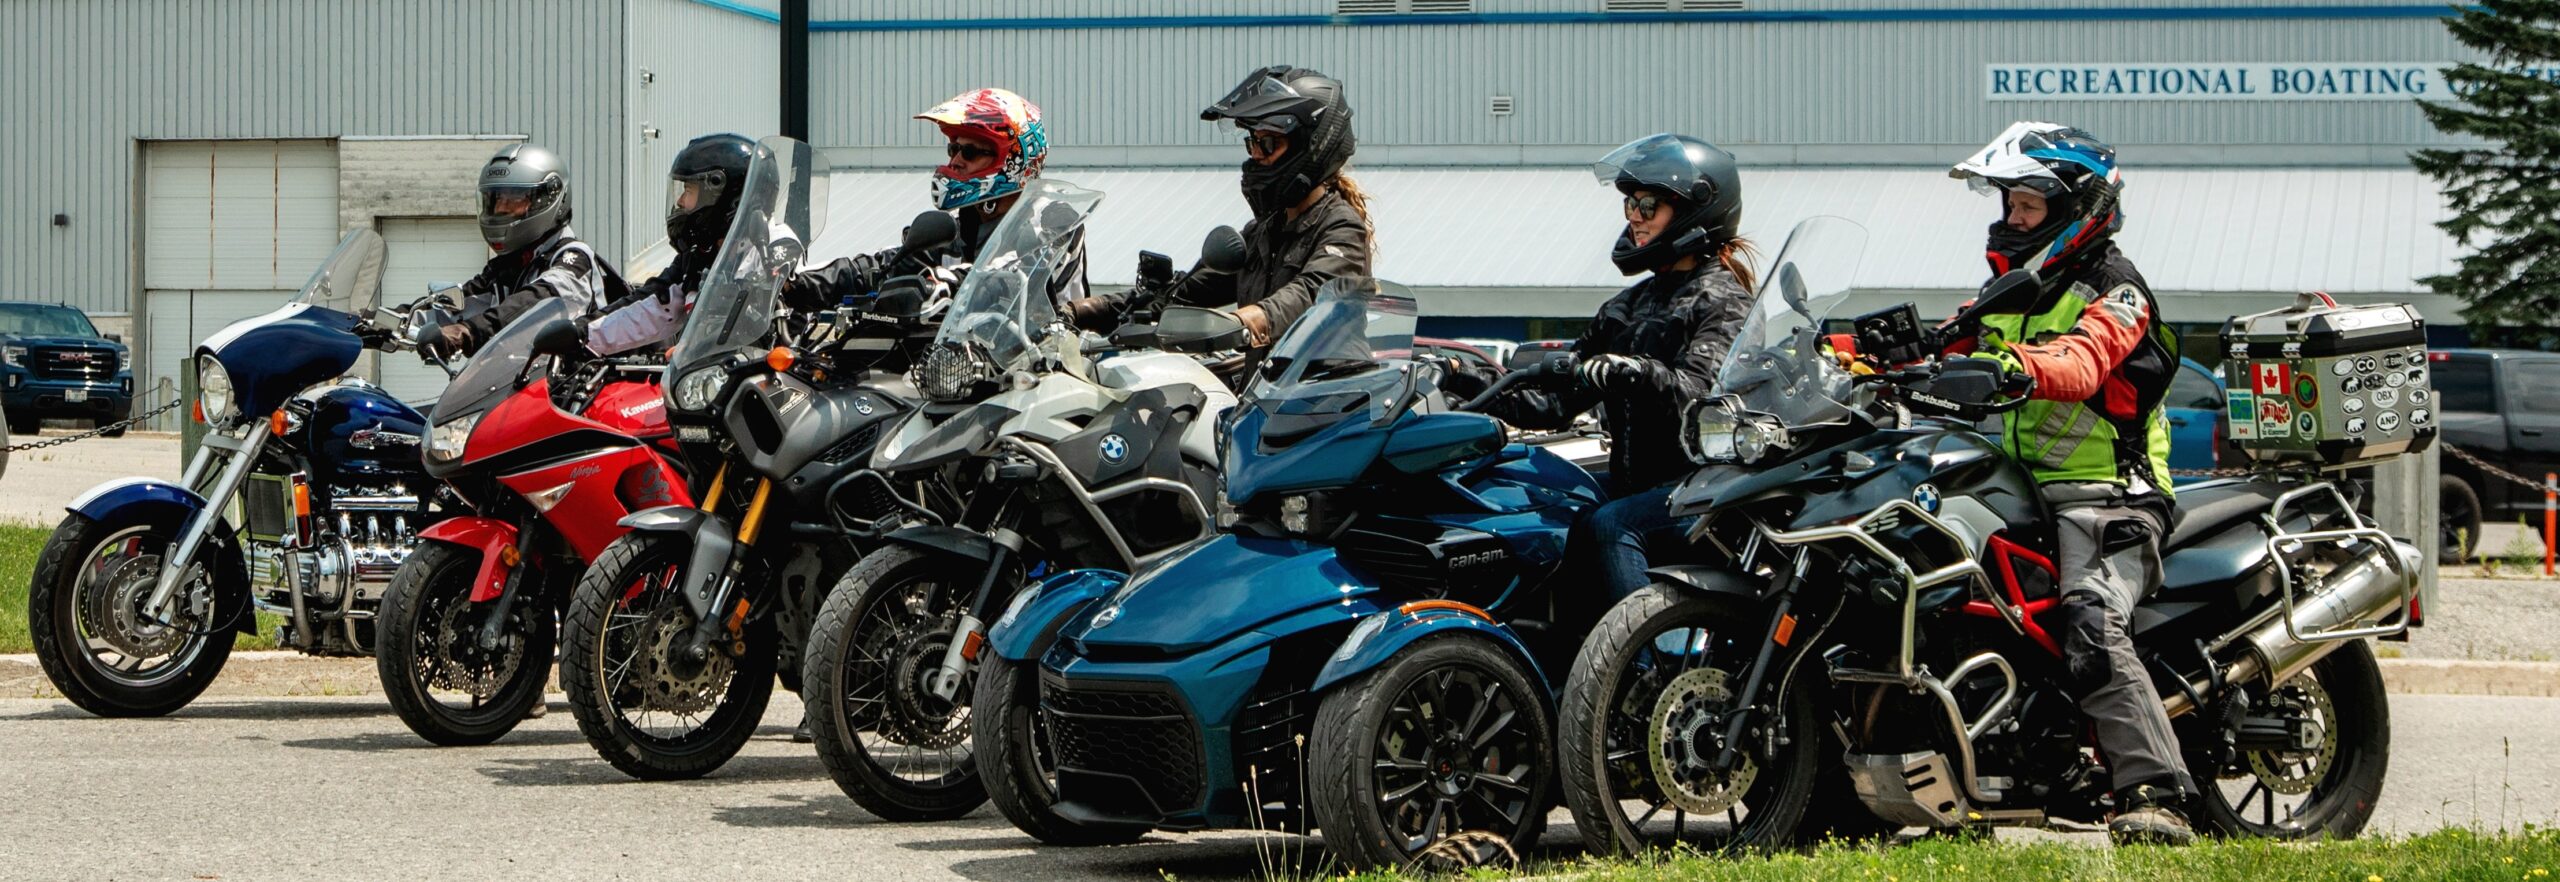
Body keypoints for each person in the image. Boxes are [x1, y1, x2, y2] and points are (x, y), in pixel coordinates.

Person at [1943, 121, 2193, 845]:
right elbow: (1946, 339)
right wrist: (1848, 353)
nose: (2011, 219)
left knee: (2090, 617)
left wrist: (2015, 366)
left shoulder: (2117, 290)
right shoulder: (2013, 287)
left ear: (2075, 209)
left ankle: (2157, 793)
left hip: (2110, 494)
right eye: (2010, 205)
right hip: (2016, 487)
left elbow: (2082, 364)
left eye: (2026, 206)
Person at [1461, 133, 1755, 610]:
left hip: (1701, 493)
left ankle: (1644, 672)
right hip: (1635, 488)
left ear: (1694, 209)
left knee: (1612, 525)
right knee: (1537, 502)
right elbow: (1553, 404)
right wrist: (1465, 376)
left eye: (1648, 205)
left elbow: (1702, 399)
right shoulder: (1626, 306)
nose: (1635, 218)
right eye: (1630, 206)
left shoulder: (1723, 301)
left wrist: (1637, 372)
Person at [1065, 65, 1372, 350]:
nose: (1256, 156)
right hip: (1266, 399)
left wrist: (1242, 322)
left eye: (1267, 144)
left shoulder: (1342, 229)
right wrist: (1082, 310)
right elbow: (1182, 295)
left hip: (1330, 399)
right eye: (1252, 143)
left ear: (1312, 146)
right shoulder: (1264, 232)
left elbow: (1310, 295)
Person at [786, 88, 1085, 311]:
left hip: (1047, 371)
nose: (954, 162)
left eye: (969, 152)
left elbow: (1010, 278)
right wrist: (793, 285)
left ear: (1012, 160)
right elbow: (881, 267)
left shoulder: (1053, 220)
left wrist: (939, 283)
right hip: (960, 372)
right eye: (952, 150)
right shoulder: (955, 232)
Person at [582, 133, 760, 357]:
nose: (680, 202)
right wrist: (581, 334)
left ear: (720, 195)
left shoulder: (777, 252)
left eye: (689, 191)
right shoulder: (699, 258)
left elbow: (796, 317)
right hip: (707, 386)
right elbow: (650, 305)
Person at [441, 143, 617, 356]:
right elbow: (462, 301)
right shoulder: (511, 265)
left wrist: (469, 331)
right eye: (496, 199)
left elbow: (540, 300)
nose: (501, 209)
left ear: (550, 198)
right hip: (517, 379)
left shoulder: (574, 259)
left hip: (574, 382)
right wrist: (397, 319)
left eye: (514, 199)